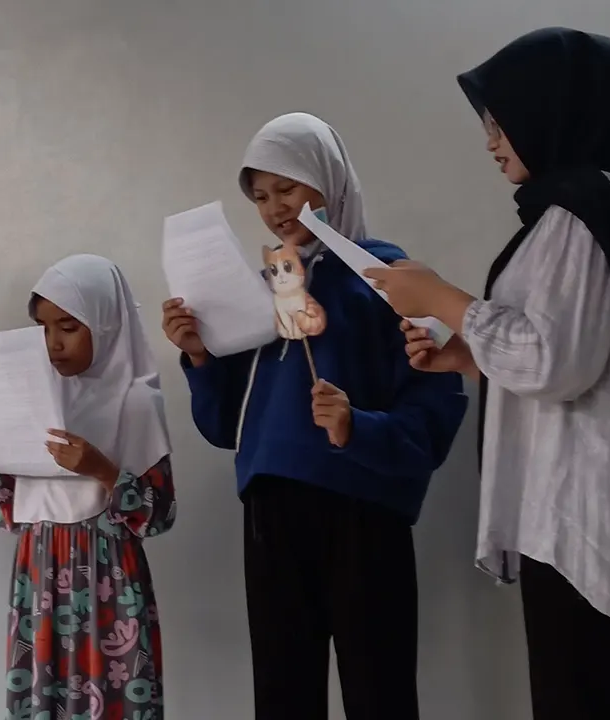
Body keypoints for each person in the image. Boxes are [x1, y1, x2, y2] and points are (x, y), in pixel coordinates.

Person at [366, 27, 610, 720]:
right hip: (589, 514)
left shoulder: (582, 212)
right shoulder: (595, 208)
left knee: (590, 693)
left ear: (552, 108)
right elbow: (578, 352)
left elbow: (554, 361)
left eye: (501, 122)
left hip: (582, 518)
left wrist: (442, 297)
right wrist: (469, 356)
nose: (491, 142)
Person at [161, 113, 467, 719]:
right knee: (283, 692)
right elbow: (225, 427)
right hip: (271, 511)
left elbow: (435, 413)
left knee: (377, 689)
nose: (275, 209)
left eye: (289, 188)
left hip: (361, 512)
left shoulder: (387, 276)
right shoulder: (258, 292)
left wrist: (358, 426)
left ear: (331, 182)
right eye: (261, 196)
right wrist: (198, 353)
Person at [0, 254, 175, 719]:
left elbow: (159, 513)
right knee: (43, 699)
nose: (53, 343)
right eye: (43, 328)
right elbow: (12, 510)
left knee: (114, 698)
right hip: (40, 570)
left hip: (107, 577)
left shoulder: (135, 400)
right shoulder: (34, 395)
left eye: (69, 327)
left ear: (106, 322)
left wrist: (102, 470)